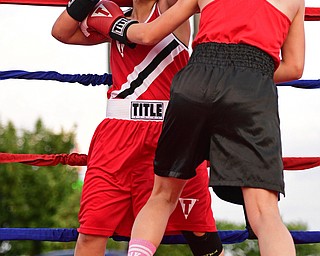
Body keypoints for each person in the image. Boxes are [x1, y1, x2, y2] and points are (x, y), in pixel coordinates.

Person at [84, 0, 306, 255]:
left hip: (196, 78)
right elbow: (295, 67)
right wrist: (249, 73)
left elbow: (148, 33)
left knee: (162, 197)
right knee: (265, 213)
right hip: (252, 83)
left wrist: (109, 22)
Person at [51, 0, 224, 255]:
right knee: (91, 232)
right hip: (117, 136)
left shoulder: (170, 7)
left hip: (171, 130)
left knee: (200, 233)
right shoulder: (113, 16)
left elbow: (146, 34)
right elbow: (61, 31)